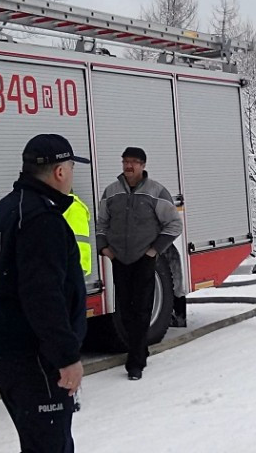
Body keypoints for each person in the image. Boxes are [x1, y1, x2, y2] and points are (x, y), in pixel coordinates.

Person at [0, 134, 89, 453]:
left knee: (39, 442)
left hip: (5, 349)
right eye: (70, 167)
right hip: (32, 356)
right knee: (50, 447)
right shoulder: (41, 219)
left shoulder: (5, 211)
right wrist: (66, 357)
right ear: (60, 172)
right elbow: (43, 295)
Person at [96, 147, 183, 380]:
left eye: (134, 162)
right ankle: (140, 348)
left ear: (143, 165)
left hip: (145, 260)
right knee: (125, 311)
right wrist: (104, 248)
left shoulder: (156, 192)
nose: (128, 166)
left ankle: (135, 363)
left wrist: (154, 251)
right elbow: (101, 223)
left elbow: (174, 225)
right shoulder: (111, 192)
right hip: (119, 259)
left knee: (142, 310)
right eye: (125, 161)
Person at [64, 191, 92, 276]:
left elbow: (78, 241)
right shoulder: (73, 206)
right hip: (77, 264)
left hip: (74, 265)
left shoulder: (71, 207)